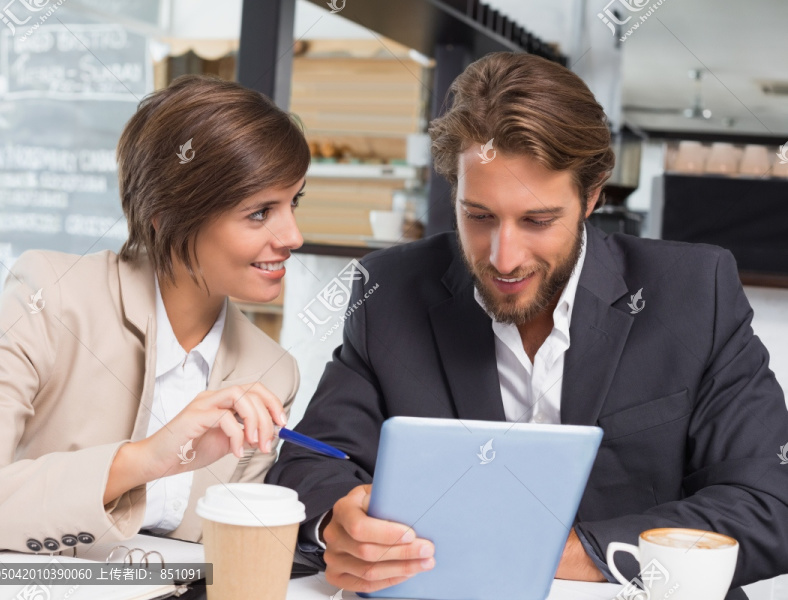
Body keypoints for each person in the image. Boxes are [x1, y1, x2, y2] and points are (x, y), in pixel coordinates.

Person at [267, 52, 788, 599]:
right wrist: (335, 524)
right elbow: (311, 462)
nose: (504, 257)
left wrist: (558, 552)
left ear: (591, 197)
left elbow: (768, 502)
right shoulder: (389, 293)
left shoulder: (692, 293)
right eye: (479, 216)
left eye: (538, 220)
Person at [0, 75, 309, 562]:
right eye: (260, 212)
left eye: (293, 203)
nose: (293, 236)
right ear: (166, 215)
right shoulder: (52, 299)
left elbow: (222, 554)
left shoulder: (271, 371)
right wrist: (142, 460)